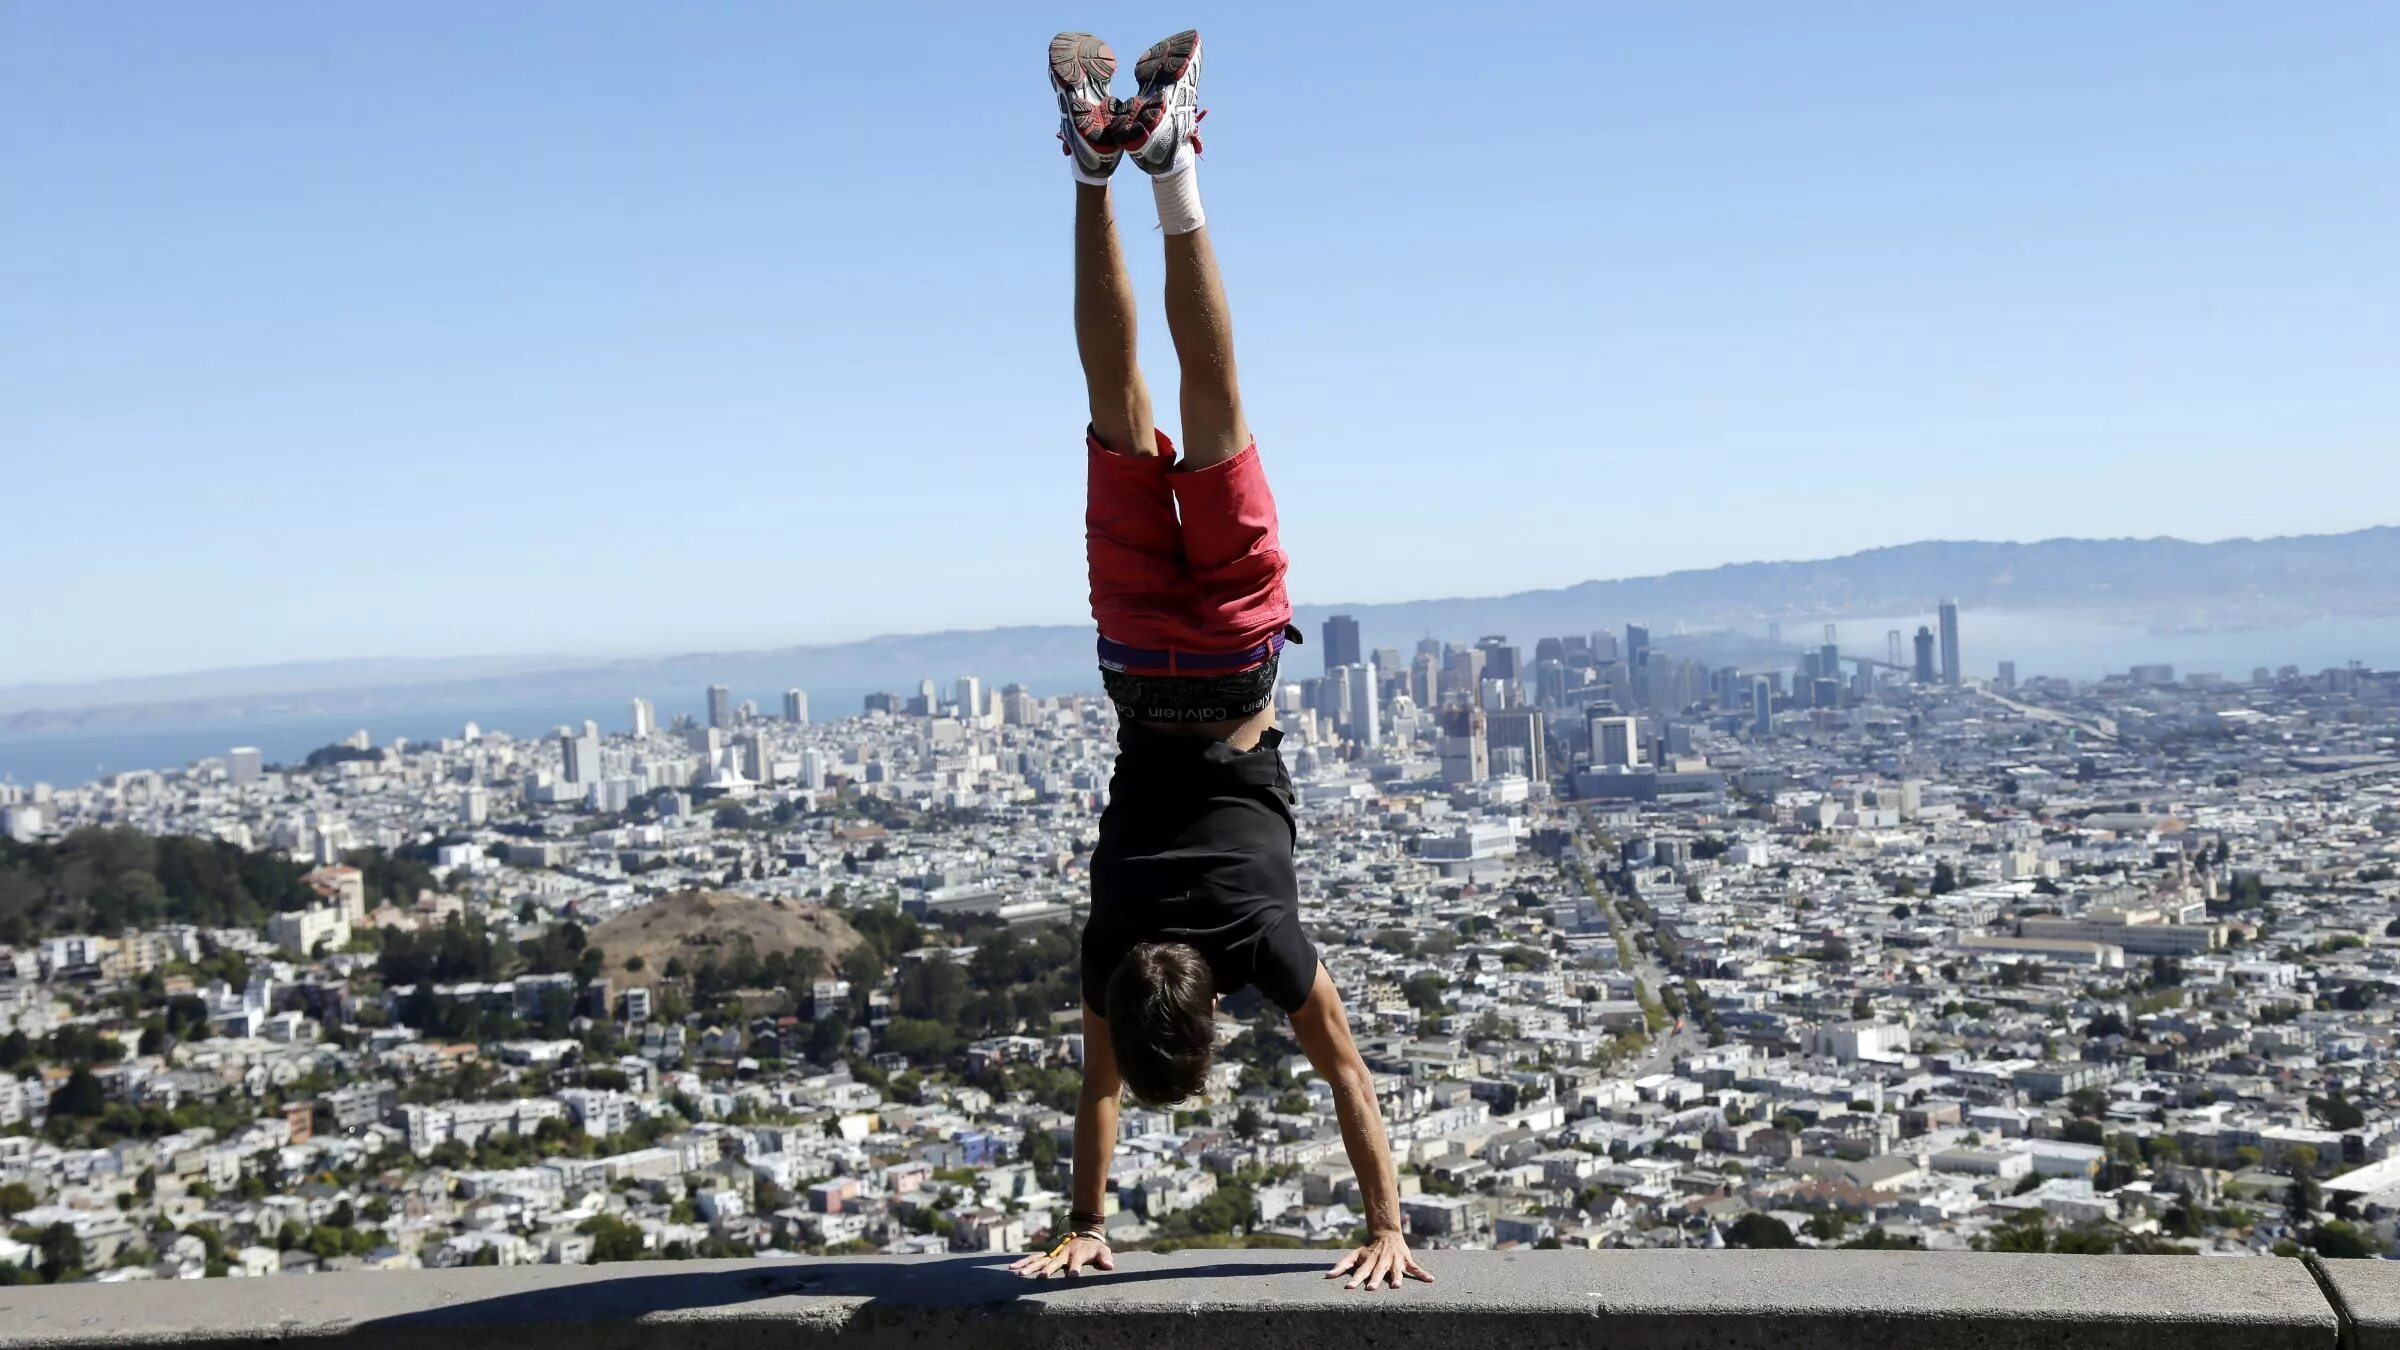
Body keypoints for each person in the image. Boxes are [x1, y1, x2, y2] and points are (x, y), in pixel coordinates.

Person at [1006, 29, 1433, 1293]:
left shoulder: (1262, 945)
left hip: (1236, 660)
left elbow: (1346, 1076)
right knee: (1116, 395)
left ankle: (1169, 163)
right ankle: (1099, 165)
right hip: (1141, 661)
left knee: (1212, 395)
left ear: (1207, 1014)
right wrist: (1086, 1213)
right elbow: (1096, 1094)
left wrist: (1387, 1222)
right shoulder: (1109, 949)